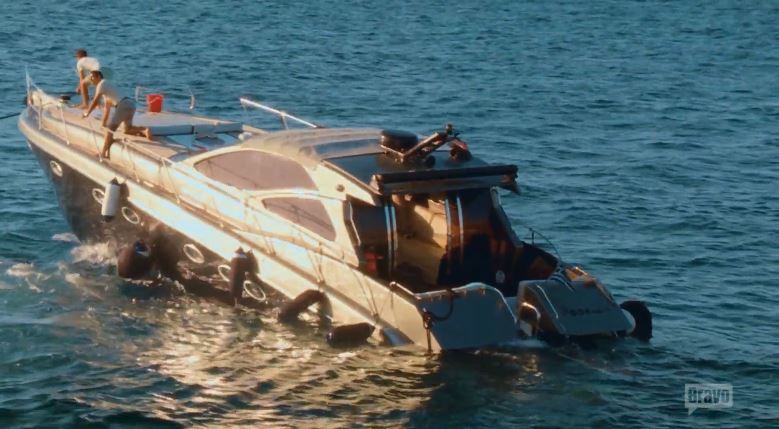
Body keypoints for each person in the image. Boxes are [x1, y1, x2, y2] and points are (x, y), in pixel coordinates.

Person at [82, 70, 152, 159]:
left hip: (123, 105)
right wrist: (103, 124)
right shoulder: (108, 86)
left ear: (99, 76)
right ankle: (144, 130)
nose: (91, 80)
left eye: (92, 77)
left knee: (110, 131)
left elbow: (95, 101)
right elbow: (107, 108)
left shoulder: (101, 84)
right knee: (127, 130)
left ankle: (103, 154)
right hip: (131, 104)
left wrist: (87, 113)